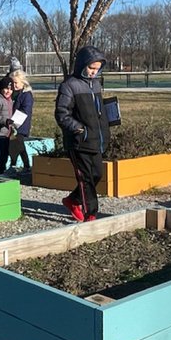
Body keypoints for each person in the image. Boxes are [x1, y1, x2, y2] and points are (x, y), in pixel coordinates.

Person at [55, 45, 108, 222]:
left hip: (95, 140)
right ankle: (90, 214)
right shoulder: (69, 85)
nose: (94, 72)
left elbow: (98, 111)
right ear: (82, 65)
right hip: (78, 142)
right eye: (91, 68)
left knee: (97, 174)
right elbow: (62, 113)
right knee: (85, 178)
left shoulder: (96, 84)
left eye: (97, 69)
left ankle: (72, 200)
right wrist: (79, 129)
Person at [7, 63, 34, 173]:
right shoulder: (16, 94)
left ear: (23, 82)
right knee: (18, 146)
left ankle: (17, 165)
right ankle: (25, 165)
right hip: (15, 124)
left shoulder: (27, 95)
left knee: (17, 145)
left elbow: (25, 110)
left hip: (21, 124)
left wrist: (14, 123)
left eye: (16, 83)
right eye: (13, 83)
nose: (14, 85)